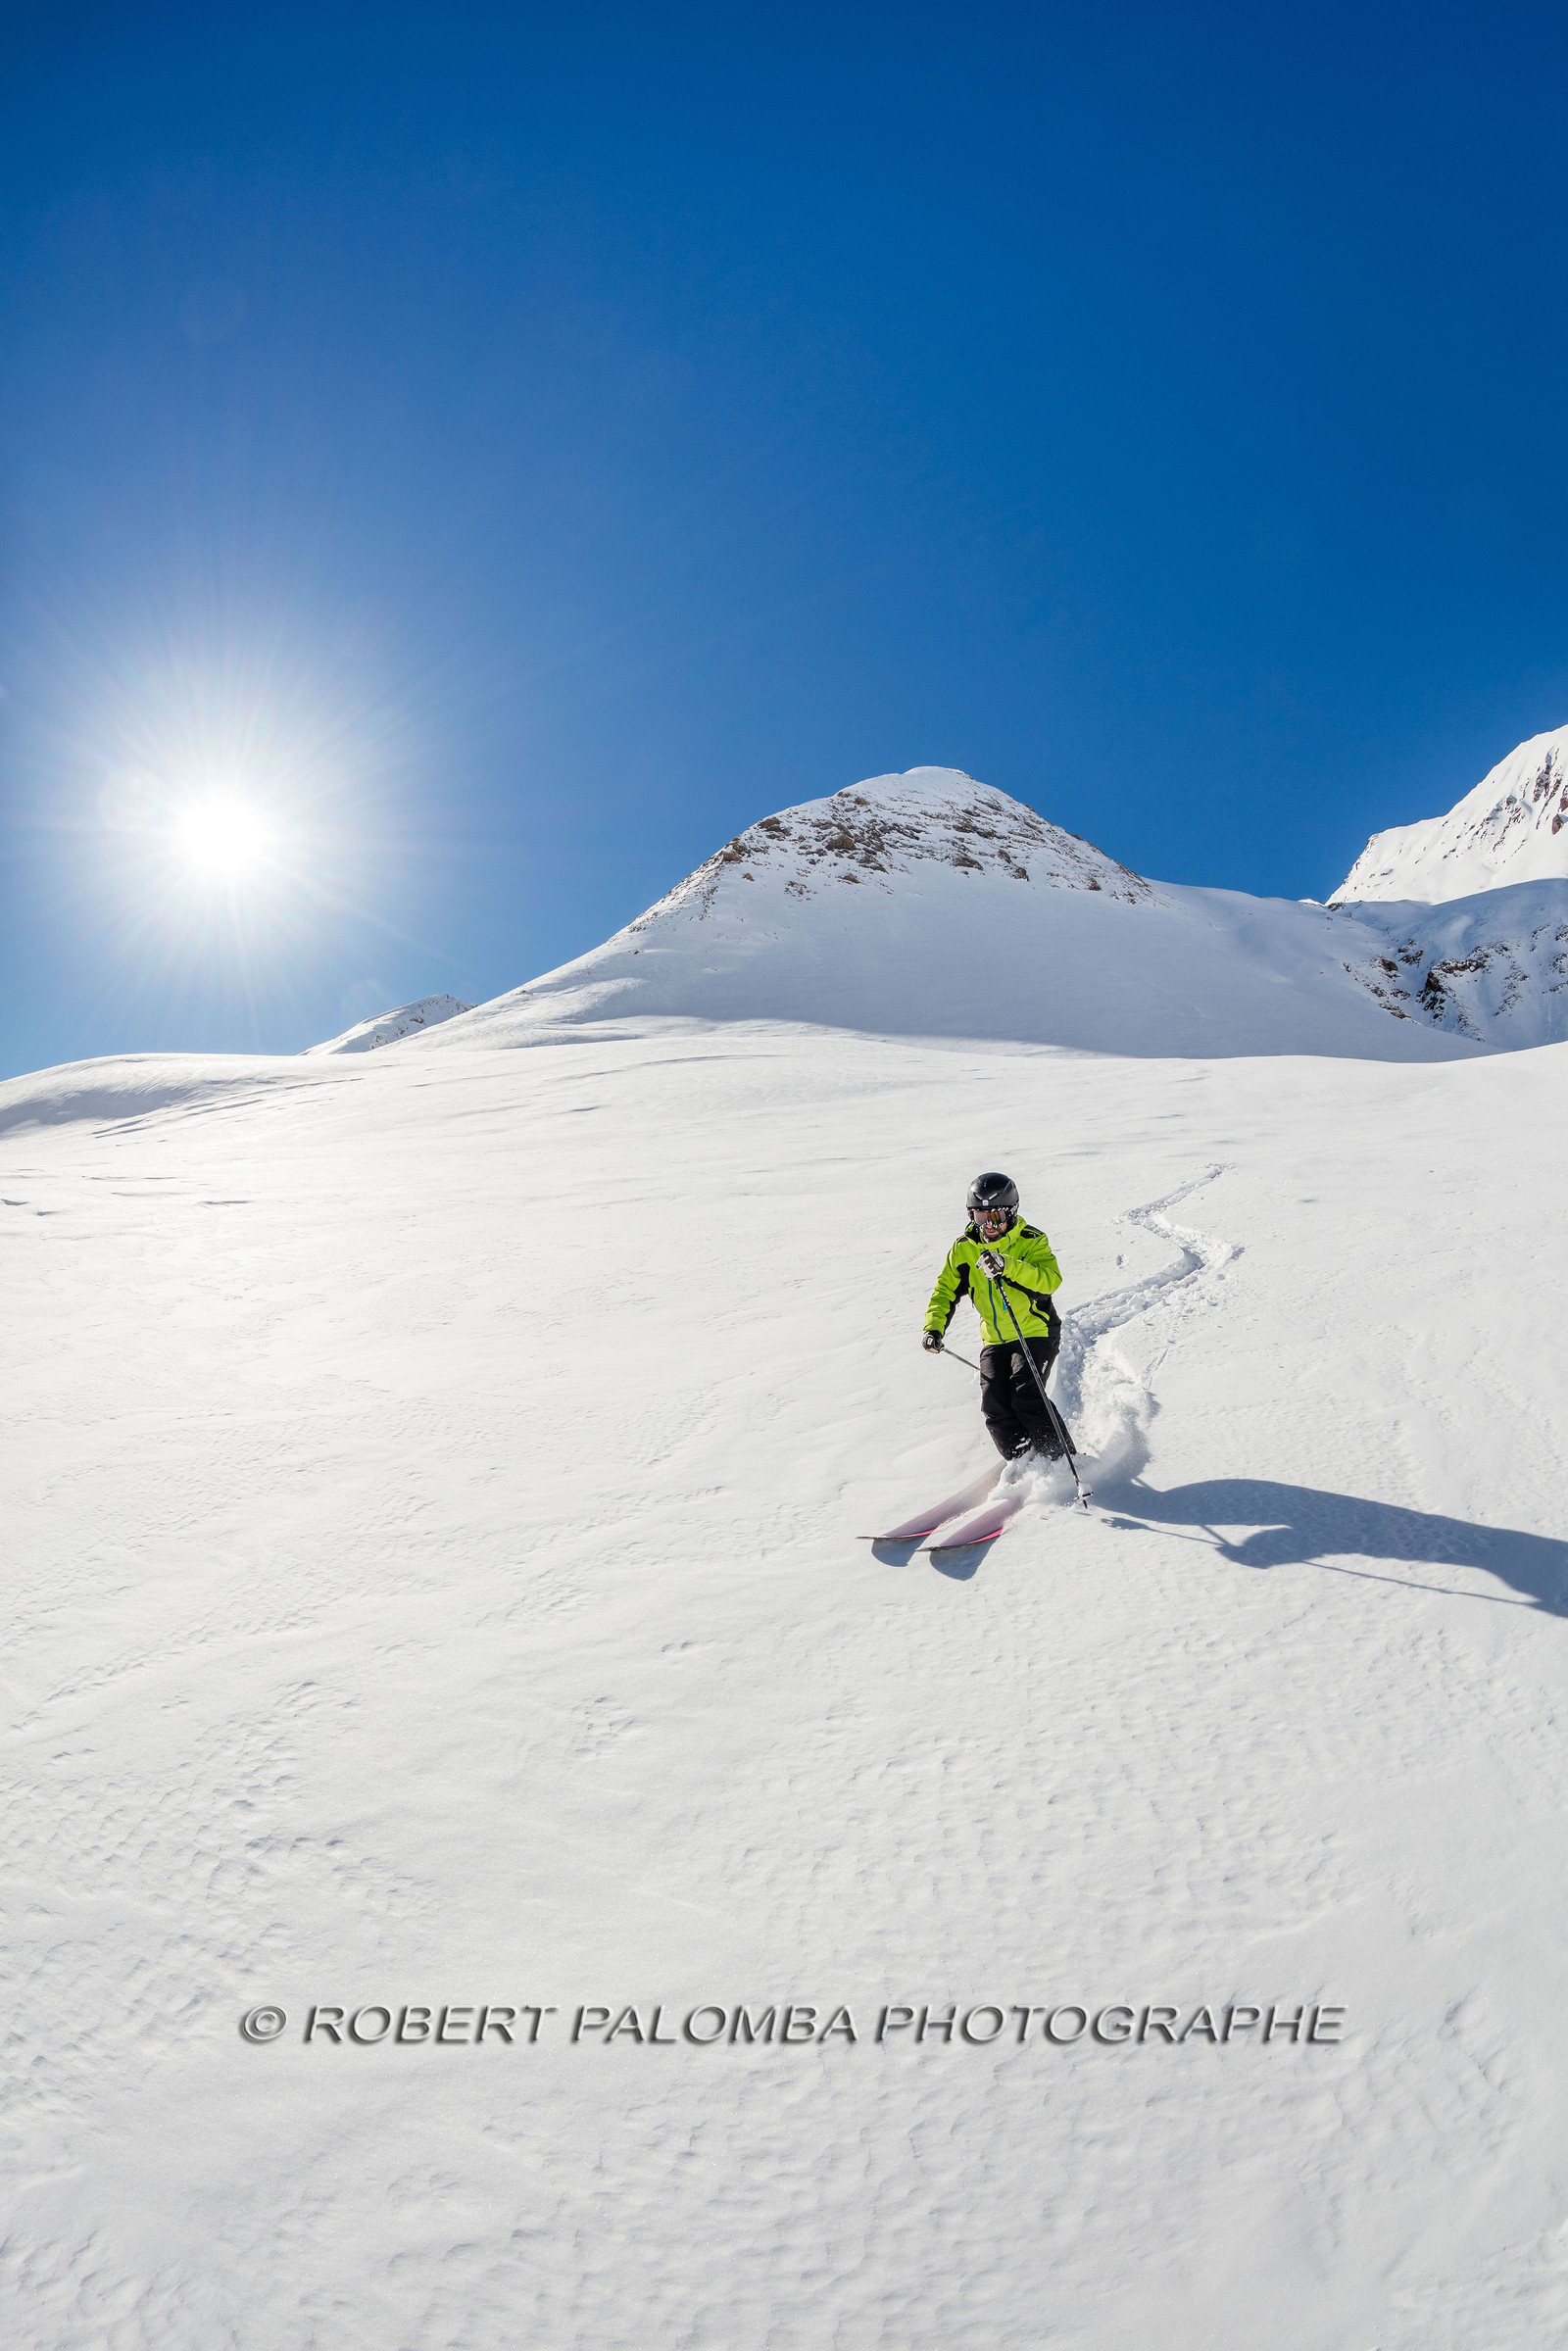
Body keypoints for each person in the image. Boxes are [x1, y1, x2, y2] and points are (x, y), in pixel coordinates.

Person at [922, 1171, 1067, 1462]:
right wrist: (934, 1327)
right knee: (994, 1403)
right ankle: (1023, 1459)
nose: (988, 1225)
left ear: (1011, 1213)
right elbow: (945, 1290)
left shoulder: (1031, 1240)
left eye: (996, 1216)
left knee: (1026, 1395)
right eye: (980, 1216)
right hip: (996, 1338)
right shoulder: (963, 1248)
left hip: (1036, 1332)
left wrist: (1007, 1266)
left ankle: (1060, 1459)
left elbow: (1050, 1281)